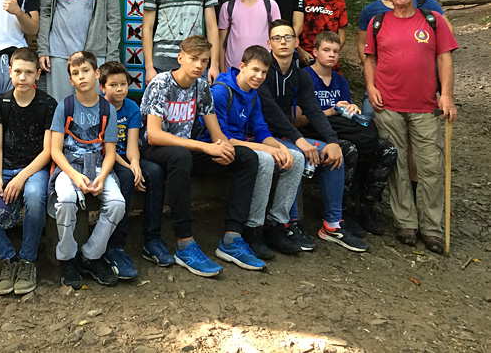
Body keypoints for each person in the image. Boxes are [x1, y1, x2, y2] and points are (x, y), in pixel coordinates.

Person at [140, 35, 264, 276]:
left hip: (186, 151)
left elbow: (216, 133)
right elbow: (153, 135)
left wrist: (225, 149)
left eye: (204, 61)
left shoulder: (201, 86)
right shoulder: (161, 84)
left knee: (246, 157)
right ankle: (185, 243)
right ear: (180, 58)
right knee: (181, 156)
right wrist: (204, 147)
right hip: (155, 151)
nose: (199, 65)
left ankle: (232, 238)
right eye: (194, 59)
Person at [364, 0, 458, 254]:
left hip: (426, 106)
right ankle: (406, 222)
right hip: (388, 105)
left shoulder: (432, 20)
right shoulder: (377, 23)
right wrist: (370, 87)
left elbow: (444, 57)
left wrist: (447, 95)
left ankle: (432, 228)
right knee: (397, 166)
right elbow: (370, 59)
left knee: (431, 165)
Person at [256, 20, 368, 253]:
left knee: (334, 153)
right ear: (269, 44)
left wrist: (333, 141)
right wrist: (299, 140)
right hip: (262, 136)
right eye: (277, 38)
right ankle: (289, 223)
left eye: (288, 37)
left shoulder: (300, 76)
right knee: (296, 156)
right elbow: (271, 113)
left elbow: (314, 112)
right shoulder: (263, 73)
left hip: (288, 136)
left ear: (296, 41)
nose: (283, 42)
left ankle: (332, 224)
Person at [0, 47, 56, 295]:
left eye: (28, 72)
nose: (22, 77)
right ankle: (8, 257)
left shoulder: (47, 104)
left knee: (35, 197)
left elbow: (48, 151)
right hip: (4, 167)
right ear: (10, 72)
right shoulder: (1, 103)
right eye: (17, 72)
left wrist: (21, 177)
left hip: (34, 168)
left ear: (37, 74)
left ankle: (28, 260)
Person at [297, 31, 397, 236]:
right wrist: (330, 111)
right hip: (314, 133)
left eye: (335, 51)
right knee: (348, 150)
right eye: (326, 50)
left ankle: (365, 207)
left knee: (387, 150)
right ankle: (340, 212)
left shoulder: (340, 81)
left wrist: (352, 110)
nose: (331, 55)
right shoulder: (303, 77)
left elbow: (344, 115)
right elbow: (297, 120)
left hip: (341, 129)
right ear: (314, 52)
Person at [210, 45, 305, 260]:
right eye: (255, 70)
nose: (259, 76)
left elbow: (261, 130)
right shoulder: (221, 91)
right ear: (242, 66)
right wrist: (268, 149)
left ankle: (276, 224)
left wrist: (281, 148)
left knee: (297, 157)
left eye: (264, 72)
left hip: (244, 146)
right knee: (264, 158)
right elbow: (222, 139)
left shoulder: (253, 95)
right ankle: (252, 228)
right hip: (220, 149)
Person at [49, 51, 125, 289]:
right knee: (67, 200)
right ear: (71, 80)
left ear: (96, 73)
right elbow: (55, 151)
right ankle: (67, 257)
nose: (81, 76)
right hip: (68, 167)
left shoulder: (107, 109)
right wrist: (73, 175)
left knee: (117, 203)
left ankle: (91, 255)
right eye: (75, 73)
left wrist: (102, 177)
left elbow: (110, 152)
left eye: (85, 71)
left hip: (98, 166)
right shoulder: (65, 107)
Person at [98, 61, 166, 279]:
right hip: (106, 158)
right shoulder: (99, 107)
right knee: (127, 176)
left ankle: (152, 239)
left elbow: (132, 144)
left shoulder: (132, 107)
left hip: (126, 156)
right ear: (102, 87)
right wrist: (130, 168)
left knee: (154, 172)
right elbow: (106, 148)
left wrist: (135, 163)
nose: (119, 89)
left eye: (123, 84)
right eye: (113, 85)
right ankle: (115, 246)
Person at [356, 0, 451, 118]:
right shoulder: (373, 16)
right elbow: (366, 49)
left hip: (423, 94)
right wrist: (373, 80)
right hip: (385, 89)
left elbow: (445, 48)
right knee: (369, 118)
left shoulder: (429, 10)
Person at [217, 0, 281, 72]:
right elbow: (221, 43)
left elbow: (277, 39)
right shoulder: (228, 7)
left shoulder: (270, 5)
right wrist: (222, 72)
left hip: (261, 70)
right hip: (233, 70)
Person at [298, 0, 347, 67]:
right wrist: (299, 51)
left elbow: (342, 34)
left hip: (328, 60)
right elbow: (293, 29)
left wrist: (332, 53)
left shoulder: (338, 3)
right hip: (304, 58)